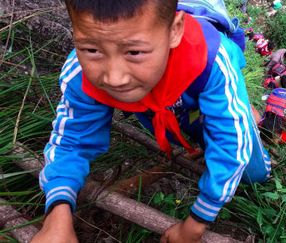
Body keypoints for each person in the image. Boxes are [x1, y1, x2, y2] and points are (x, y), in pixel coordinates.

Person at [32, 1, 271, 243]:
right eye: (92, 50)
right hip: (153, 101)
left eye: (134, 52)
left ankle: (235, 107)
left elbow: (231, 145)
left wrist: (197, 222)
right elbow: (71, 142)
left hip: (197, 84)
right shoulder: (81, 73)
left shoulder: (211, 57)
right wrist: (57, 214)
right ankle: (216, 114)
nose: (114, 77)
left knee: (254, 173)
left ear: (175, 31)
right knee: (186, 129)